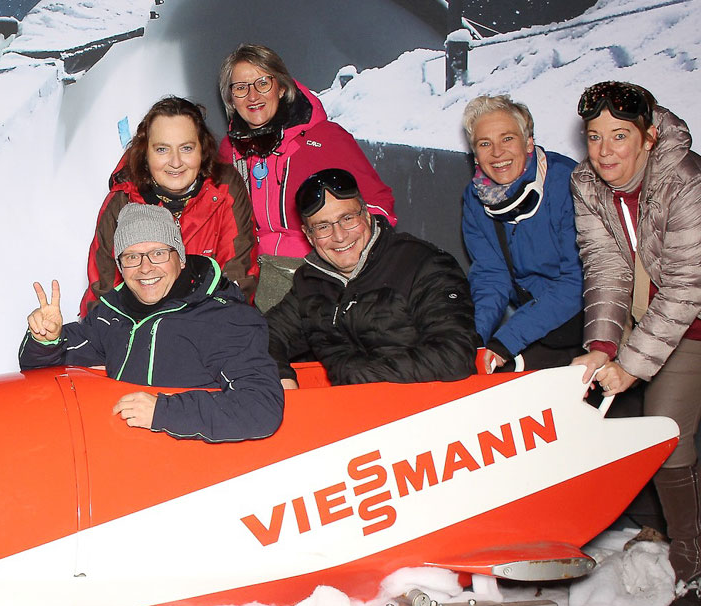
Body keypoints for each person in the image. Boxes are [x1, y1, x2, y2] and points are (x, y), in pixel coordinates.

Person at [570, 81, 701, 606]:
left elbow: (688, 282)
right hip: (675, 326)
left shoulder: (685, 178)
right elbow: (606, 266)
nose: (604, 151)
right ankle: (693, 567)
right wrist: (603, 346)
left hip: (688, 307)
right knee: (668, 434)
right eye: (594, 136)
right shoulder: (587, 184)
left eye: (619, 136)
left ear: (648, 137)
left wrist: (631, 364)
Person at [25, 204, 283, 442]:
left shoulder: (224, 318)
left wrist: (163, 412)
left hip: (199, 467)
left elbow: (261, 408)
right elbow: (40, 371)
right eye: (131, 257)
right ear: (120, 267)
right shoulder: (111, 315)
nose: (145, 268)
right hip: (125, 456)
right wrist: (46, 339)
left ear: (180, 258)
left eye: (158, 253)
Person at [265, 168, 477, 387]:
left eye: (347, 218)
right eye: (323, 227)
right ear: (309, 236)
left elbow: (455, 355)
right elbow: (264, 333)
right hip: (352, 405)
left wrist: (358, 375)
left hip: (436, 403)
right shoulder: (309, 282)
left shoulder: (423, 263)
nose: (339, 236)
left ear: (366, 214)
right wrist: (281, 377)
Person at [81, 96, 257, 316]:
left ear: (202, 150)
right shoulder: (122, 200)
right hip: (138, 327)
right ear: (145, 154)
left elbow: (237, 280)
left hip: (208, 324)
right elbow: (103, 292)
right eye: (162, 149)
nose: (175, 162)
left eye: (186, 148)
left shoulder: (225, 188)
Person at [218, 44, 395, 259]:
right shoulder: (229, 149)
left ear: (282, 88)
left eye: (263, 83)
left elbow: (378, 203)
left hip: (315, 267)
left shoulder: (326, 138)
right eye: (240, 88)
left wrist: (360, 257)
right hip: (252, 268)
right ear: (231, 99)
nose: (252, 96)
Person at [461, 95, 583, 371]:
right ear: (475, 155)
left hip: (586, 318)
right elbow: (491, 275)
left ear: (528, 143)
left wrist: (507, 341)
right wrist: (473, 339)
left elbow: (577, 281)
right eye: (485, 144)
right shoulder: (475, 198)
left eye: (507, 139)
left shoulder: (568, 183)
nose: (497, 153)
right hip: (535, 319)